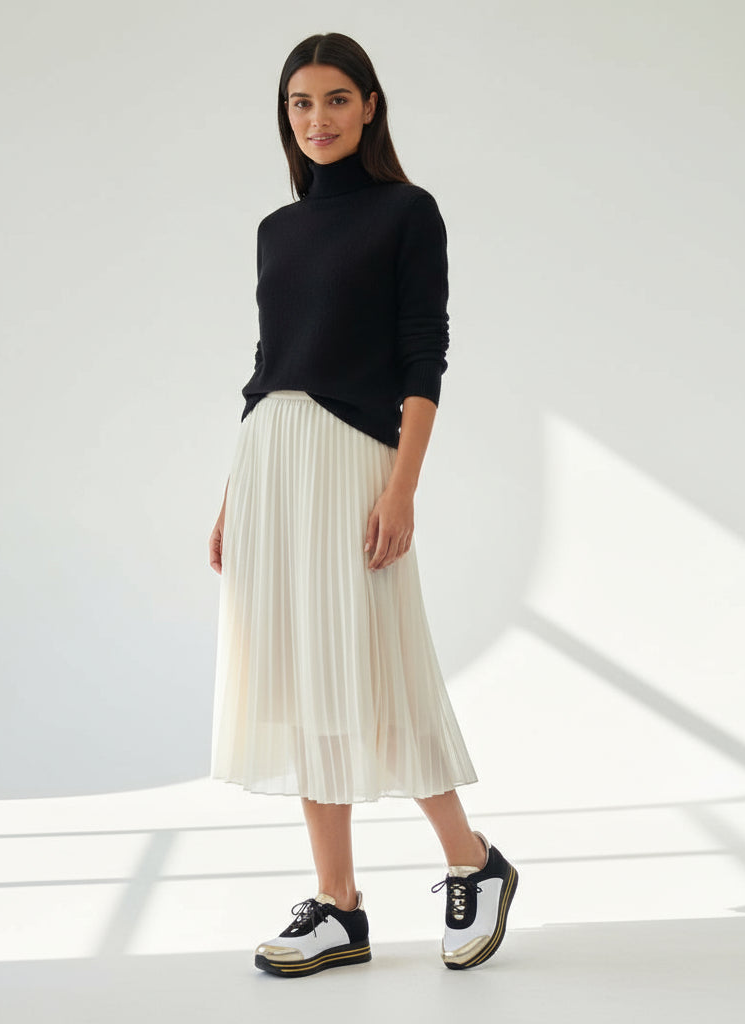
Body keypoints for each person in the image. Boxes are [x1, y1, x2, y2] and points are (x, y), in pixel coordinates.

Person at [207, 32, 517, 977]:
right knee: (303, 681)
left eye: (336, 100)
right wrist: (231, 495)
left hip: (354, 463)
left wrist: (403, 486)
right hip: (271, 462)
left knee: (380, 670)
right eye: (301, 104)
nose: (318, 120)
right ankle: (339, 906)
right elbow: (267, 371)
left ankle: (475, 862)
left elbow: (425, 353)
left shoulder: (407, 213)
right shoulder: (276, 228)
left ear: (371, 106)